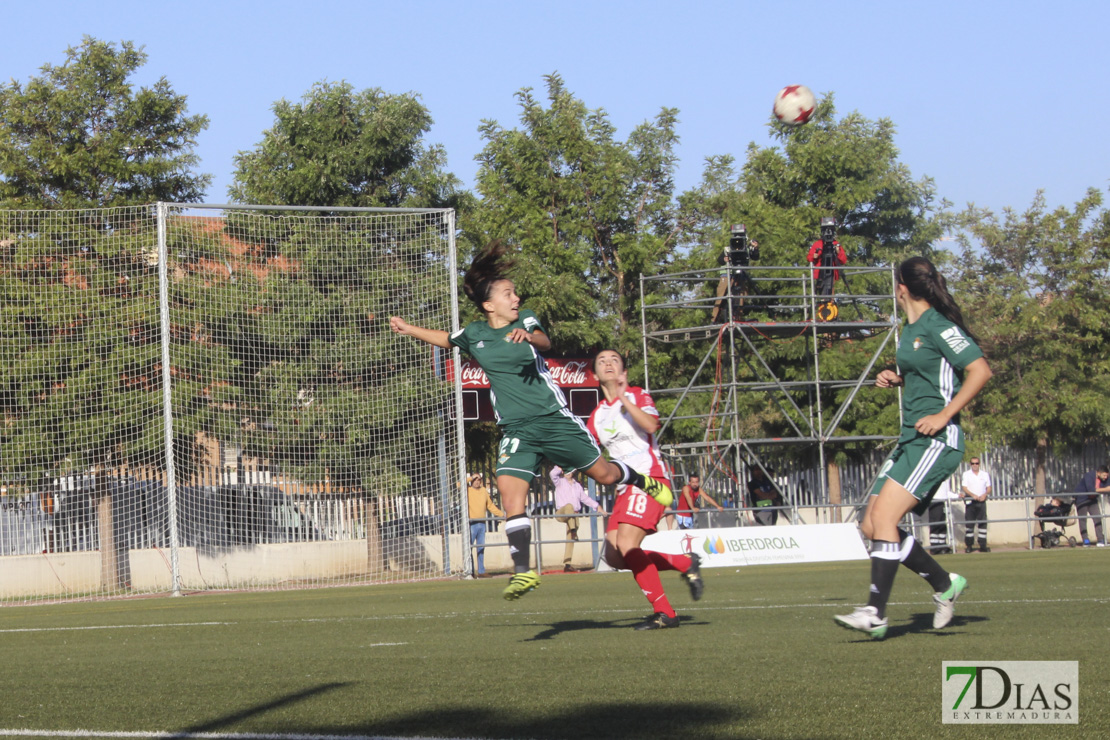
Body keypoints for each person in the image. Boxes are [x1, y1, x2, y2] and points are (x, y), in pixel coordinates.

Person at [390, 242, 673, 601]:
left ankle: (641, 479)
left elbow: (545, 339)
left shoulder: (525, 319)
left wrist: (530, 336)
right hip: (516, 429)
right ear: (489, 304)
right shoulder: (476, 333)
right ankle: (523, 572)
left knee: (606, 475)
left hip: (554, 421)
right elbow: (447, 340)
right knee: (509, 494)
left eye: (515, 292)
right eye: (508, 293)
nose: (515, 296)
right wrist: (408, 328)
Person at [834, 256, 992, 640]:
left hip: (937, 441)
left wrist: (943, 415)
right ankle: (944, 583)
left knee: (885, 522)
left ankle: (875, 612)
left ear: (901, 286)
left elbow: (980, 370)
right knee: (870, 524)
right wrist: (897, 377)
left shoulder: (939, 324)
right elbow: (930, 371)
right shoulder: (911, 328)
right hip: (911, 439)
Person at [587, 349, 704, 630]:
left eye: (614, 360)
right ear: (595, 375)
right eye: (602, 361)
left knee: (628, 545)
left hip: (650, 480)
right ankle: (684, 562)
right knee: (615, 556)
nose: (608, 363)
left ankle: (666, 613)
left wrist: (625, 397)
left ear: (624, 371)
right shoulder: (596, 416)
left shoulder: (638, 394)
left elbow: (651, 424)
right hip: (625, 489)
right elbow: (591, 454)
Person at [550, 465, 605, 571]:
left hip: (574, 515)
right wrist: (559, 467)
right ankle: (574, 529)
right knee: (569, 506)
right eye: (566, 471)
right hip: (562, 512)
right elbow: (552, 474)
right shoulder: (559, 481)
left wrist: (597, 506)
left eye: (570, 471)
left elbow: (585, 499)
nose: (568, 473)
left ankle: (567, 564)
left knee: (570, 538)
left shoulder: (577, 486)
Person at [467, 473, 504, 576]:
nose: (477, 481)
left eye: (479, 479)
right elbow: (458, 485)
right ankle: (470, 571)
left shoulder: (483, 491)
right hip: (471, 523)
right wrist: (471, 477)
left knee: (481, 547)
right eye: (475, 479)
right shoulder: (468, 490)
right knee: (468, 548)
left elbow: (490, 505)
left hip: (482, 523)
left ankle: (481, 571)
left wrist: (501, 515)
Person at [960, 457, 992, 553]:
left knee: (982, 524)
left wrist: (985, 494)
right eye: (973, 463)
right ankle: (969, 546)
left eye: (977, 463)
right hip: (971, 501)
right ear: (970, 464)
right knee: (969, 524)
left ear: (979, 464)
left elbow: (989, 487)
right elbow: (964, 487)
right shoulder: (966, 474)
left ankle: (983, 545)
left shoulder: (985, 474)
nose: (975, 465)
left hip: (981, 501)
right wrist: (972, 495)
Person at [1073, 466, 1108, 547]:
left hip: (1093, 500)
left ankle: (1100, 539)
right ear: (1098, 473)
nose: (1105, 478)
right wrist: (1106, 489)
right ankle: (1085, 540)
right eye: (1104, 475)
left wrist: (1105, 488)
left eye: (1107, 476)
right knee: (1083, 520)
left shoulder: (1105, 479)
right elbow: (1091, 489)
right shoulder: (1089, 476)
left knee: (1098, 518)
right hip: (1082, 499)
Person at [926, 478, 957, 554]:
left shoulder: (946, 477)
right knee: (935, 524)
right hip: (935, 500)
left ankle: (942, 546)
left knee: (942, 525)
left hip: (943, 501)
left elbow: (946, 492)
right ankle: (935, 547)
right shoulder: (935, 474)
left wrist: (957, 495)